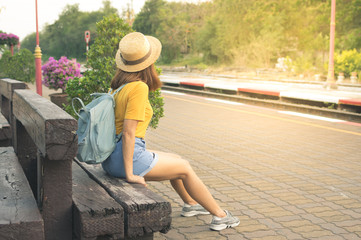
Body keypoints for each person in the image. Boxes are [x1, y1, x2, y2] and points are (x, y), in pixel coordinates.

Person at [101, 32, 240, 231]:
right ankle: (221, 215)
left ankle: (191, 204)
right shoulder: (138, 87)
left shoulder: (117, 88)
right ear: (149, 63)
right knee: (184, 168)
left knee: (176, 159)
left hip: (111, 158)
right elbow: (129, 133)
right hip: (126, 159)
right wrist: (130, 174)